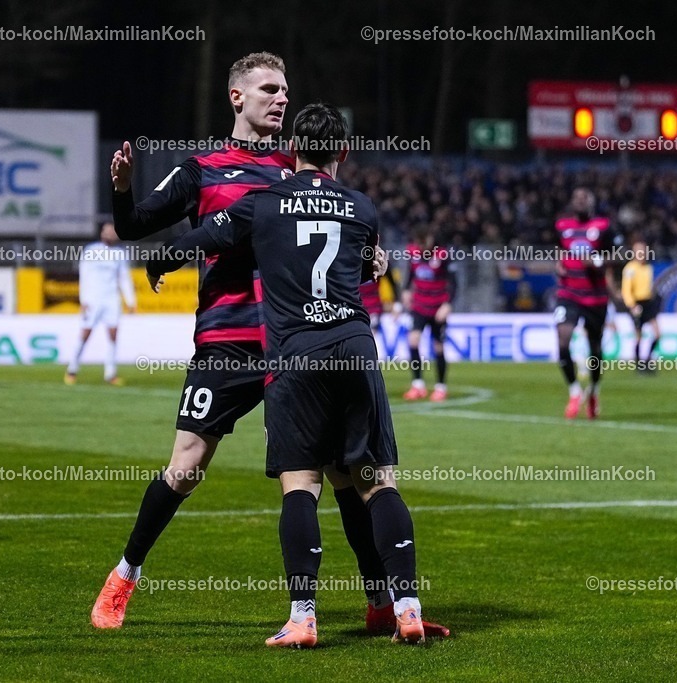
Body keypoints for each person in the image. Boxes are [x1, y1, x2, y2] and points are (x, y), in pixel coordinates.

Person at [91, 52, 445, 639]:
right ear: (237, 97)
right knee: (186, 468)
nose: (281, 99)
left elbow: (343, 248)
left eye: (285, 91)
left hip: (298, 343)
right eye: (269, 90)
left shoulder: (300, 168)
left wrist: (371, 261)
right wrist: (124, 193)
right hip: (229, 341)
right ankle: (123, 578)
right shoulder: (202, 170)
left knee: (342, 474)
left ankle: (380, 600)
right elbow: (133, 228)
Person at [553, 188, 621, 419]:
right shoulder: (562, 226)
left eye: (584, 198)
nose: (579, 201)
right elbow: (559, 250)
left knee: (595, 350)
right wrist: (559, 263)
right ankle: (574, 392)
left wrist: (597, 260)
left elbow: (620, 255)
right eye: (576, 198)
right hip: (568, 293)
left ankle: (593, 390)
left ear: (592, 202)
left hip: (595, 296)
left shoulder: (604, 226)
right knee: (562, 340)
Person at [65, 221, 137, 386]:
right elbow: (84, 276)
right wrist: (83, 300)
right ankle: (72, 369)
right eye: (107, 231)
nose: (110, 234)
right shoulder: (91, 251)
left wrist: (130, 301)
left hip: (111, 299)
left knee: (113, 335)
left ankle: (110, 373)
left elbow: (124, 278)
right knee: (85, 334)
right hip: (93, 299)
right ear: (102, 233)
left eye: (113, 231)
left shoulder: (120, 254)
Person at [401, 226, 456, 402]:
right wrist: (406, 291)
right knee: (413, 340)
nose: (421, 245)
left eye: (424, 241)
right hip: (419, 305)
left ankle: (441, 387)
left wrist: (447, 304)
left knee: (438, 347)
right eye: (419, 242)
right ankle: (418, 385)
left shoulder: (442, 255)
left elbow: (454, 283)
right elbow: (410, 275)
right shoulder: (413, 253)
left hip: (438, 306)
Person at [621, 238, 660, 373]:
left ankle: (648, 360)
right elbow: (626, 290)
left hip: (648, 302)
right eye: (638, 250)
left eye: (643, 250)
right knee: (639, 335)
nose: (641, 253)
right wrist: (632, 306)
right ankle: (639, 364)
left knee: (657, 333)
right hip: (636, 304)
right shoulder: (630, 268)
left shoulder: (648, 267)